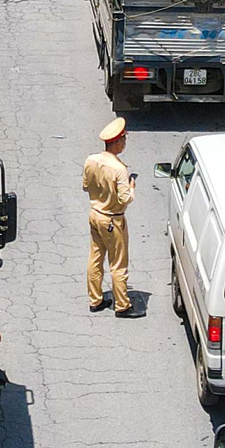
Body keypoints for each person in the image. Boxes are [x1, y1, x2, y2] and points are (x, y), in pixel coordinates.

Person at [82, 117, 140, 317]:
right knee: (118, 263)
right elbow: (125, 199)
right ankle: (122, 305)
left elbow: (85, 186)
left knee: (95, 257)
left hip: (95, 214)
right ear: (117, 142)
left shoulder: (91, 160)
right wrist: (131, 187)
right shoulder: (119, 169)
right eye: (123, 140)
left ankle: (95, 299)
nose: (124, 143)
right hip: (113, 219)